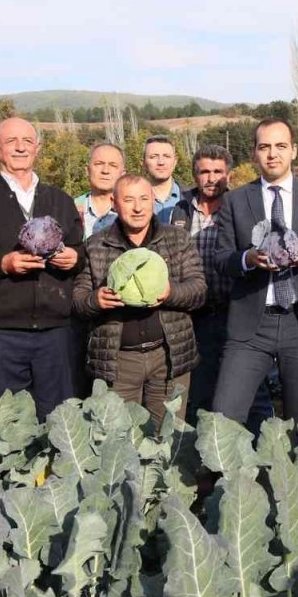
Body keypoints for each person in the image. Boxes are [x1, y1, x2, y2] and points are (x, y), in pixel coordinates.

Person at [211, 118, 298, 423]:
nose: (272, 154)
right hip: (251, 326)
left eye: (280, 146)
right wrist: (248, 258)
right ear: (254, 152)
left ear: (294, 150)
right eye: (264, 146)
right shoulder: (235, 200)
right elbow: (222, 259)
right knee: (223, 416)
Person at [0, 117, 84, 420]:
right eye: (11, 141)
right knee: (8, 425)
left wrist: (75, 257)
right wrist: (2, 264)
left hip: (56, 333)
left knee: (58, 422)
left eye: (27, 141)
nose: (20, 148)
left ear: (37, 148)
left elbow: (80, 250)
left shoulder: (61, 200)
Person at [74, 175, 204, 423]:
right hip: (117, 362)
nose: (138, 207)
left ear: (153, 200)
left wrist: (171, 293)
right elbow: (78, 301)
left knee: (166, 433)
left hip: (168, 359)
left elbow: (199, 290)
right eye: (129, 200)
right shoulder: (95, 245)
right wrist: (95, 300)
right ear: (114, 203)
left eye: (144, 199)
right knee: (115, 435)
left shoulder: (178, 239)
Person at [173, 145, 273, 425]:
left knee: (251, 389)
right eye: (204, 172)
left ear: (228, 175)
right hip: (197, 315)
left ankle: (261, 443)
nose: (211, 178)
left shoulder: (241, 207)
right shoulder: (180, 211)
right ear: (195, 174)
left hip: (236, 312)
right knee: (202, 389)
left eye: (218, 172)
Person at [75, 143, 125, 239]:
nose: (105, 171)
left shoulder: (133, 211)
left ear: (122, 174)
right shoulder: (70, 209)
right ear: (87, 170)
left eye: (113, 165)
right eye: (99, 164)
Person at [143, 135, 182, 224]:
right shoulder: (132, 200)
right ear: (144, 163)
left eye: (166, 156)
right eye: (154, 157)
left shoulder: (191, 199)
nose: (161, 162)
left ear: (175, 162)